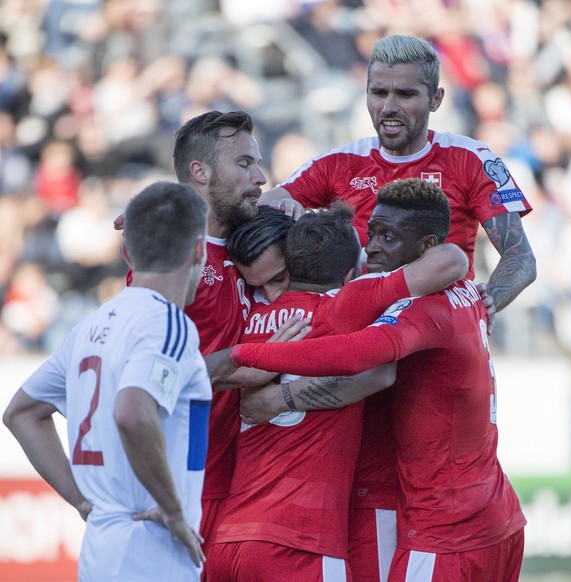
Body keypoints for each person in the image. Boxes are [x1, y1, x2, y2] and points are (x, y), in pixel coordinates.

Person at [258, 33, 536, 580]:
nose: (389, 106)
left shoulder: (469, 158)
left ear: (434, 99)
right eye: (378, 92)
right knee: (370, 502)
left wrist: (480, 309)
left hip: (434, 359)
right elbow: (266, 206)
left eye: (406, 94)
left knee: (441, 505)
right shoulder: (339, 164)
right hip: (366, 361)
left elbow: (520, 260)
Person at [225, 179, 527, 582]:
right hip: (491, 512)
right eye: (371, 234)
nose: (372, 247)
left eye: (388, 236)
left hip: (439, 525)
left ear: (425, 246)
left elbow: (363, 360)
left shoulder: (395, 306)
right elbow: (453, 259)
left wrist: (260, 373)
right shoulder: (468, 293)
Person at [3, 181, 211, 581]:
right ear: (199, 249)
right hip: (152, 548)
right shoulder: (168, 323)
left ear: (127, 252)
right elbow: (132, 412)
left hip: (102, 546)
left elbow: (21, 413)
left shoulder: (90, 325)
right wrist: (172, 509)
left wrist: (84, 503)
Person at [115, 110, 269, 552]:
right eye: (243, 164)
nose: (259, 176)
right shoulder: (175, 262)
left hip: (231, 484)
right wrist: (250, 364)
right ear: (198, 172)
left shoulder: (247, 245)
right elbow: (138, 382)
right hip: (179, 490)